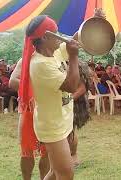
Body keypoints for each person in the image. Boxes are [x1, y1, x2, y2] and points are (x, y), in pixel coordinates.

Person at [19, 15, 80, 179]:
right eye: (55, 32)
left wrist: (93, 22)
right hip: (53, 127)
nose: (60, 35)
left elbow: (76, 38)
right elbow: (72, 86)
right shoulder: (40, 64)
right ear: (45, 37)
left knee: (54, 172)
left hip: (61, 120)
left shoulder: (53, 53)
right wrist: (74, 56)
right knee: (66, 174)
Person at [9, 58, 50, 180]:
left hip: (49, 111)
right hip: (30, 111)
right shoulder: (26, 59)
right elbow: (13, 81)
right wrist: (38, 86)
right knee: (27, 152)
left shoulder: (55, 58)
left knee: (47, 151)